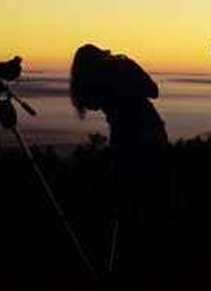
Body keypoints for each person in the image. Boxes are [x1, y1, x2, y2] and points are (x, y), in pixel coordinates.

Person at [69, 44, 168, 281]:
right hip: (149, 130)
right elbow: (153, 91)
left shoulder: (92, 79)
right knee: (154, 193)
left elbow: (90, 103)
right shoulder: (123, 64)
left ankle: (125, 255)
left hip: (124, 135)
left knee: (127, 196)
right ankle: (155, 255)